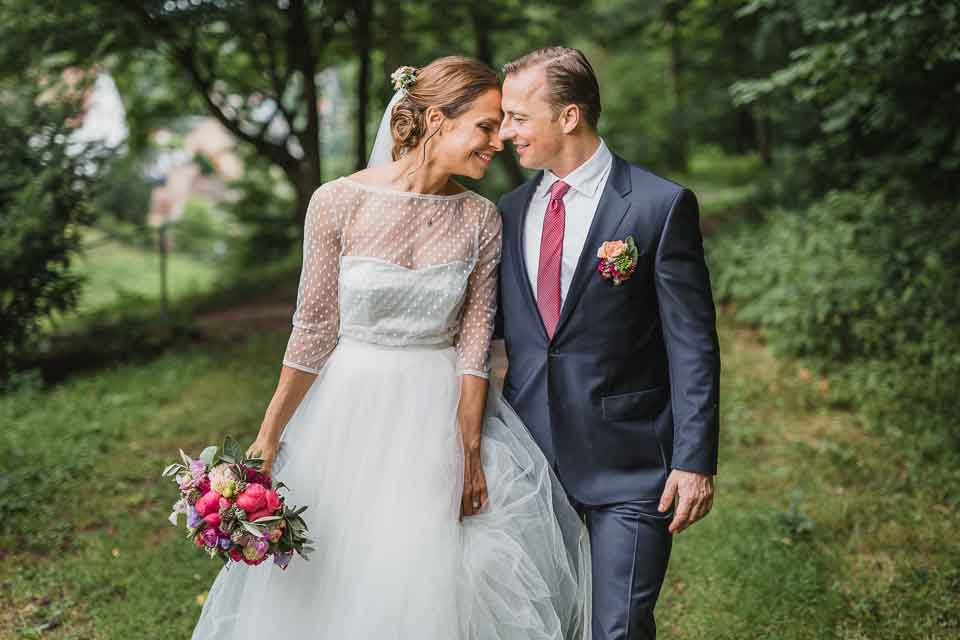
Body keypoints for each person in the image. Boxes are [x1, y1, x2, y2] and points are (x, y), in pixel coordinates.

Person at [191, 56, 590, 640]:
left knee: (430, 568)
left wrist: (470, 451)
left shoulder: (481, 218)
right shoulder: (336, 202)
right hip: (348, 412)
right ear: (435, 119)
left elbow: (475, 343)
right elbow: (313, 329)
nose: (498, 140)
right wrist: (270, 434)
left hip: (437, 414)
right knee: (336, 567)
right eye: (485, 125)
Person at [496, 47, 721, 640]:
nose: (505, 131)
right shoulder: (508, 211)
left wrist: (694, 459)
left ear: (568, 117)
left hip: (631, 464)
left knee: (616, 628)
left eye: (518, 116)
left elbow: (692, 344)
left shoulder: (657, 205)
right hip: (529, 465)